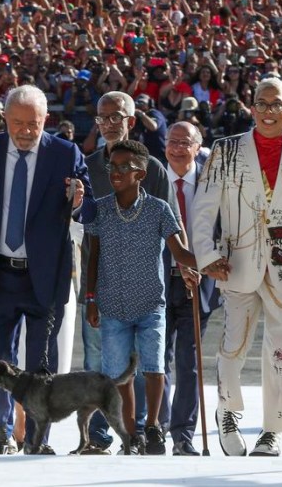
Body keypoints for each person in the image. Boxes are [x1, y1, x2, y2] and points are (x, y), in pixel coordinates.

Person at [194, 77, 282, 457]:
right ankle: (228, 411)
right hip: (234, 261)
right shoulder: (223, 151)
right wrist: (206, 256)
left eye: (278, 104)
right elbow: (204, 209)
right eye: (263, 103)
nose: (269, 111)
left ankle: (273, 430)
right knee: (233, 345)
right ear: (251, 108)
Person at [0, 84, 94, 455]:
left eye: (34, 124)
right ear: (5, 119)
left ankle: (38, 438)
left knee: (42, 362)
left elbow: (85, 209)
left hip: (44, 273)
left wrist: (77, 200)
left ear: (46, 120)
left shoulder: (65, 153)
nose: (25, 131)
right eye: (18, 122)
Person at [85, 140, 199, 455]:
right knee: (120, 373)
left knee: (154, 366)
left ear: (141, 173)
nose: (116, 172)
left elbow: (179, 252)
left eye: (124, 167)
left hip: (151, 304)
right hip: (111, 305)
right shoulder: (102, 208)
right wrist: (91, 298)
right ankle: (131, 432)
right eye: (112, 166)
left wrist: (206, 263)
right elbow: (92, 256)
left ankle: (153, 428)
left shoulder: (159, 209)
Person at [81, 90, 178, 454]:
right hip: (100, 282)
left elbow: (172, 224)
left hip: (145, 283)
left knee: (148, 362)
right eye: (101, 118)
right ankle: (102, 435)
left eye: (116, 117)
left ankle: (145, 430)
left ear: (131, 121)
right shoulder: (87, 166)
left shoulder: (152, 168)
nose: (108, 124)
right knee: (100, 361)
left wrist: (186, 268)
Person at [161, 121, 221, 455]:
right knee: (157, 360)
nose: (177, 148)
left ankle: (182, 434)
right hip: (159, 280)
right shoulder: (154, 180)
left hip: (200, 282)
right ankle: (157, 428)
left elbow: (223, 226)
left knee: (189, 361)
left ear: (198, 147)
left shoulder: (212, 182)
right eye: (172, 141)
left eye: (185, 143)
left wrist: (207, 262)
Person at [133, 94, 167, 163]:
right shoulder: (139, 118)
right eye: (137, 103)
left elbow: (153, 126)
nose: (139, 105)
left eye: (142, 103)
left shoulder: (154, 113)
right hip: (146, 156)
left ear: (150, 103)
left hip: (159, 156)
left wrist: (141, 114)